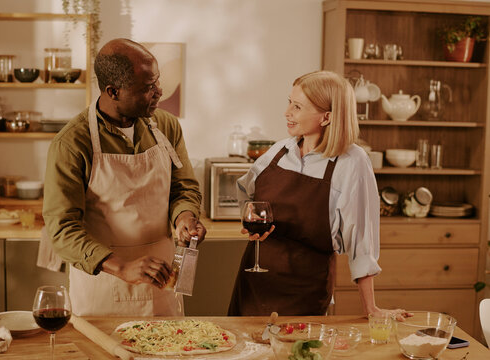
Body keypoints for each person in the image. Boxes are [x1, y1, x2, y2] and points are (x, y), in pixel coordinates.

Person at [42, 38, 206, 317]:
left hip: (163, 282)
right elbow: (62, 227)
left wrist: (185, 217)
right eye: (147, 87)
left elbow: (183, 188)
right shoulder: (72, 143)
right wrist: (122, 267)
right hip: (103, 287)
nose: (159, 92)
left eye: (157, 82)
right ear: (113, 91)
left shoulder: (166, 126)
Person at [228, 70, 410, 320]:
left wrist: (371, 309)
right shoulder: (280, 150)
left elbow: (361, 242)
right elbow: (245, 191)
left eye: (297, 106)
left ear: (326, 117)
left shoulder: (352, 162)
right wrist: (252, 222)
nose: (287, 112)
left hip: (304, 290)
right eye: (289, 102)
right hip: (254, 285)